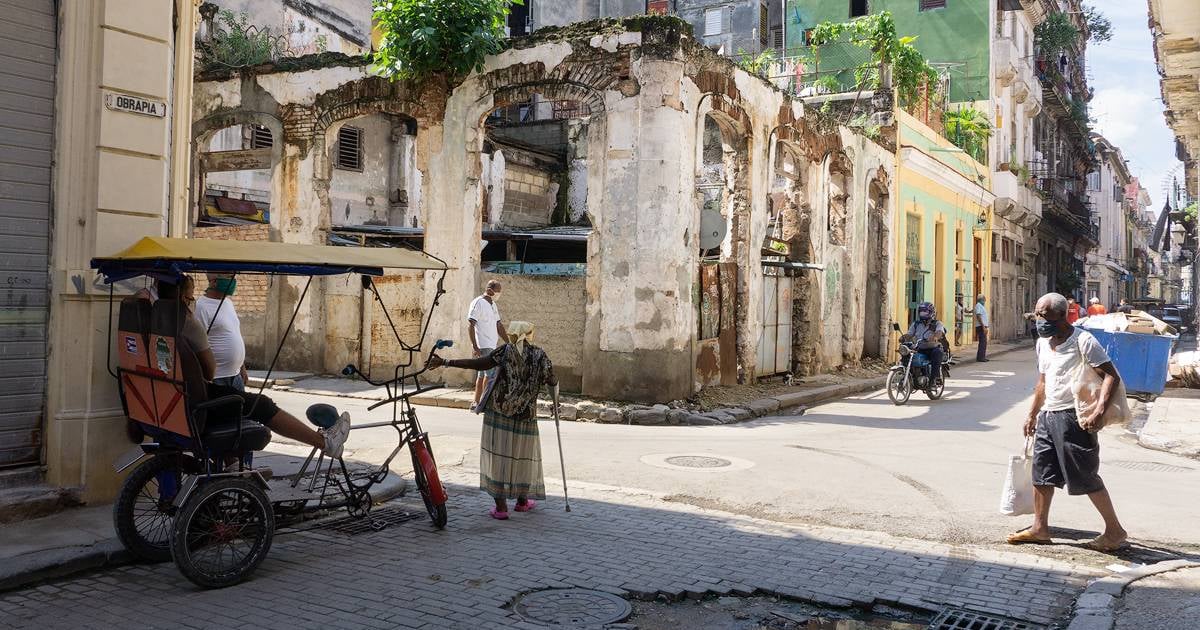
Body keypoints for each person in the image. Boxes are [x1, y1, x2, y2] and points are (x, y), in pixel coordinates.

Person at [156, 278, 351, 459]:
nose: (192, 301)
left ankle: (234, 467)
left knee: (244, 403)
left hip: (175, 394)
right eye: (190, 296)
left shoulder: (155, 321)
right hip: (195, 401)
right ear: (183, 297)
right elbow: (209, 371)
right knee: (263, 405)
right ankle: (325, 442)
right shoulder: (188, 325)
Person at [1007, 292, 1127, 552]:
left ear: (1063, 316)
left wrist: (1098, 411)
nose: (1040, 321)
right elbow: (1043, 381)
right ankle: (1040, 528)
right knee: (1041, 474)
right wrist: (1032, 413)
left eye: (1045, 316)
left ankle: (1115, 531)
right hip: (1048, 416)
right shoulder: (1042, 343)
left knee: (1084, 475)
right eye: (1038, 316)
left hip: (1073, 418)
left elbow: (1111, 376)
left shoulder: (1083, 341)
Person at [428, 322, 557, 520]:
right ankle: (522, 502)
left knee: (498, 457)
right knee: (522, 455)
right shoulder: (539, 355)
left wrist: (445, 362)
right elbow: (552, 380)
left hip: (499, 412)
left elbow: (480, 363)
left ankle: (502, 508)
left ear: (513, 335)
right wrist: (555, 400)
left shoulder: (505, 351)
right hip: (526, 415)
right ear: (530, 335)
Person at [193, 273, 247, 391]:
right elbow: (198, 344)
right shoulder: (201, 307)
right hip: (217, 378)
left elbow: (235, 333)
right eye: (229, 278)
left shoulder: (228, 303)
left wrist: (241, 367)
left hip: (235, 376)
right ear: (214, 281)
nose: (233, 281)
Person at [468, 280, 508, 412]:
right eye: (498, 291)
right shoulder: (478, 302)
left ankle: (476, 402)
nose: (499, 294)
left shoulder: (493, 304)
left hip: (492, 345)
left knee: (482, 375)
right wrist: (475, 346)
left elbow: (498, 325)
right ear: (490, 290)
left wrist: (508, 341)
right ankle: (482, 403)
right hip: (483, 345)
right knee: (489, 375)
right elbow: (471, 324)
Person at [906, 302, 946, 383]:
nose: (923, 313)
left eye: (925, 311)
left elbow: (939, 332)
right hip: (919, 347)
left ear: (931, 312)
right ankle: (907, 373)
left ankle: (935, 378)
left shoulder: (937, 323)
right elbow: (909, 334)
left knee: (937, 352)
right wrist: (904, 337)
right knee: (906, 352)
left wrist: (935, 337)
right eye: (921, 311)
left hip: (931, 347)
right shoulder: (916, 324)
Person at [974, 295, 990, 362]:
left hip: (982, 326)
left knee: (983, 342)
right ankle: (981, 357)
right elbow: (978, 316)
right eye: (984, 300)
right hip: (981, 326)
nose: (984, 301)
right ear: (981, 299)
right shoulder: (978, 305)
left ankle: (982, 356)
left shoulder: (980, 306)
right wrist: (983, 327)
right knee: (983, 342)